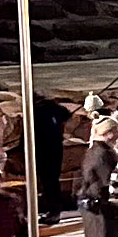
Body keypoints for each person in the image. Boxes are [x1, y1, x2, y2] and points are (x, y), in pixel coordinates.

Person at [33, 96, 72, 224]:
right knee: (52, 181)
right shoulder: (54, 108)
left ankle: (53, 211)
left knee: (48, 181)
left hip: (42, 150)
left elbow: (30, 132)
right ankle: (54, 210)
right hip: (56, 149)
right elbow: (67, 114)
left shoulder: (36, 111)